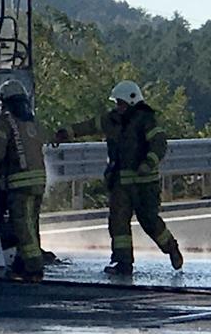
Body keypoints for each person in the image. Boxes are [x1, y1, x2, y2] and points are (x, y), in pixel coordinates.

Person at [54, 80, 183, 276]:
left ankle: (171, 248)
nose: (118, 106)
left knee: (149, 220)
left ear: (132, 101)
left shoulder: (146, 119)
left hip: (144, 184)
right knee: (118, 222)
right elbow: (90, 125)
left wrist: (148, 163)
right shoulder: (112, 119)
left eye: (121, 103)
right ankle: (123, 263)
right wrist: (67, 132)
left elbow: (159, 144)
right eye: (117, 103)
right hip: (121, 184)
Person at [0, 78, 47, 282]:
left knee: (22, 225)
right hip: (39, 180)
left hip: (20, 184)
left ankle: (34, 268)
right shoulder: (32, 121)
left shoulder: (5, 121)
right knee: (31, 224)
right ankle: (21, 264)